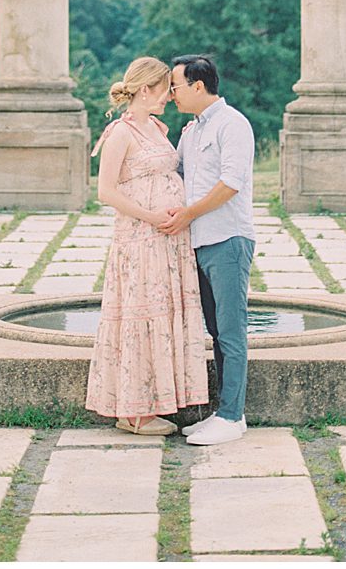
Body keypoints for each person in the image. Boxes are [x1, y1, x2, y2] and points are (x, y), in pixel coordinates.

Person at [85, 56, 209, 435]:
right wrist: (151, 216)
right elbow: (105, 191)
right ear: (144, 90)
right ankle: (132, 412)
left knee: (164, 316)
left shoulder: (158, 127)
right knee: (140, 317)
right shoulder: (120, 133)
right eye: (163, 90)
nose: (170, 97)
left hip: (167, 241)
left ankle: (155, 401)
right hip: (140, 239)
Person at [161, 54, 256, 446]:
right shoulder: (192, 131)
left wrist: (187, 214)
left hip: (228, 239)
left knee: (231, 333)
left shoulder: (233, 125)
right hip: (198, 242)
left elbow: (230, 184)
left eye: (175, 87)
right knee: (215, 331)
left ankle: (233, 416)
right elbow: (176, 172)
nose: (171, 94)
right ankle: (224, 412)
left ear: (198, 86)